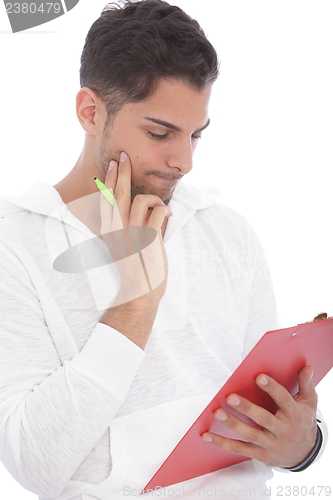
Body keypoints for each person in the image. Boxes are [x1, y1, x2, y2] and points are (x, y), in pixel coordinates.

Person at [0, 1, 327, 499]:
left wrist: (304, 447)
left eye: (196, 135)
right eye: (159, 133)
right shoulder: (15, 247)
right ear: (90, 112)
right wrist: (137, 302)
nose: (185, 161)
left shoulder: (227, 231)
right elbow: (34, 465)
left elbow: (274, 416)